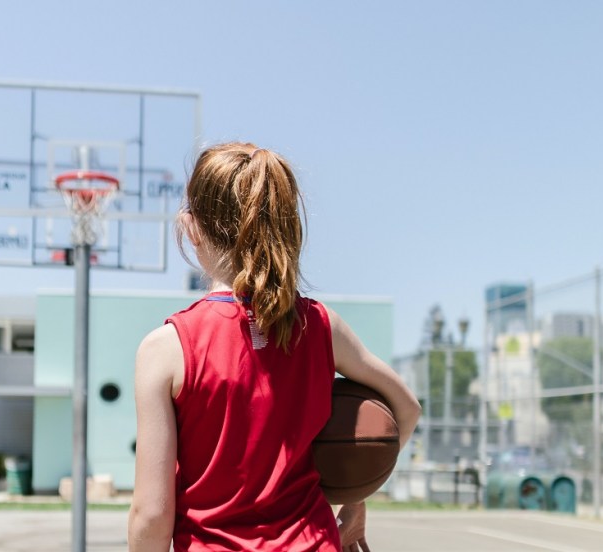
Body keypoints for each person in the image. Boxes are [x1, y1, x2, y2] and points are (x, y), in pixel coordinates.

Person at [128, 142, 421, 551]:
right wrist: (355, 496)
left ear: (191, 227)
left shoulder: (167, 349)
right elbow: (406, 407)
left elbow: (152, 514)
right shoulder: (320, 326)